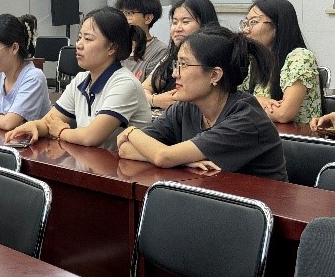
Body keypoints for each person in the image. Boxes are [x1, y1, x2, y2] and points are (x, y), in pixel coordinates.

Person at [117, 25, 287, 181]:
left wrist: (130, 131)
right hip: (212, 195)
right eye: (177, 64)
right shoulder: (186, 107)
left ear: (214, 75)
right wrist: (182, 161)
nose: (175, 73)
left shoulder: (246, 119)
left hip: (260, 202)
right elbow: (125, 148)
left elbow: (162, 156)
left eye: (184, 64)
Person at [5, 7, 151, 151]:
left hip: (123, 165)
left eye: (88, 39)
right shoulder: (81, 79)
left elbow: (91, 137)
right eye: (79, 37)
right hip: (90, 161)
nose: (78, 45)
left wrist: (61, 132)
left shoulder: (125, 84)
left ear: (111, 48)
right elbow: (50, 122)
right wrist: (35, 126)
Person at [239, 0, 321, 123]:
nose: (246, 30)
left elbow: (283, 113)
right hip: (263, 131)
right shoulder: (257, 60)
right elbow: (235, 98)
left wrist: (252, 101)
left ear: (277, 27)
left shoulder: (300, 57)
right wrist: (256, 101)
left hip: (295, 134)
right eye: (246, 23)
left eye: (253, 22)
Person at [142, 0, 218, 110]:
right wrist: (155, 100)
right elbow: (143, 89)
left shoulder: (216, 56)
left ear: (204, 24)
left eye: (185, 22)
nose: (177, 28)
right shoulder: (170, 57)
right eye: (174, 22)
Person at [114, 0, 167, 82]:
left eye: (129, 13)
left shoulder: (160, 51)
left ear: (148, 18)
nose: (123, 18)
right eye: (121, 13)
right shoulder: (115, 47)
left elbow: (149, 87)